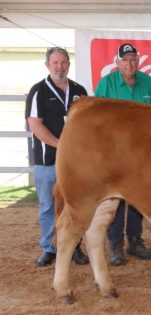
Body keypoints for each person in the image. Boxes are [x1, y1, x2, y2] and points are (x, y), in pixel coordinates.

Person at [95, 43, 151, 266]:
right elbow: (98, 120)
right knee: (115, 198)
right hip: (115, 153)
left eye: (133, 59)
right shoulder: (106, 83)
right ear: (117, 62)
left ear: (138, 61)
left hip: (142, 154)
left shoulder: (148, 82)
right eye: (125, 59)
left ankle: (135, 241)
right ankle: (115, 245)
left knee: (138, 198)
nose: (130, 63)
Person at [25, 47, 89, 267]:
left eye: (64, 62)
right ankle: (49, 248)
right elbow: (35, 125)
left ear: (68, 65)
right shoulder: (38, 91)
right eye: (55, 63)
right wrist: (61, 145)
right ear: (47, 65)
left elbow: (88, 125)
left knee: (74, 205)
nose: (60, 67)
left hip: (75, 163)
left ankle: (74, 247)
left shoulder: (80, 90)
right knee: (47, 206)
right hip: (47, 161)